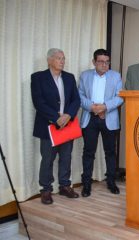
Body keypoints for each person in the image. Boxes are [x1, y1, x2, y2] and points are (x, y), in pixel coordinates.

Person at [31, 48, 81, 204]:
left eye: (63, 58)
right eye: (59, 58)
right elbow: (38, 102)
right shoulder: (38, 77)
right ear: (49, 60)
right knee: (47, 159)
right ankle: (46, 190)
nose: (62, 61)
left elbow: (76, 100)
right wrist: (55, 118)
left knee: (66, 157)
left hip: (67, 124)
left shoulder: (69, 77)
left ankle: (65, 186)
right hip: (48, 126)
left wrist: (68, 115)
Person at [78, 49, 123, 197]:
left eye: (107, 62)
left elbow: (120, 97)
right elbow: (80, 95)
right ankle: (86, 184)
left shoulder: (116, 76)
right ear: (94, 62)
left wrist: (104, 107)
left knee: (110, 152)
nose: (104, 65)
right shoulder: (85, 76)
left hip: (108, 118)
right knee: (88, 152)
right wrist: (92, 107)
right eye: (101, 61)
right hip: (90, 118)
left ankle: (111, 182)